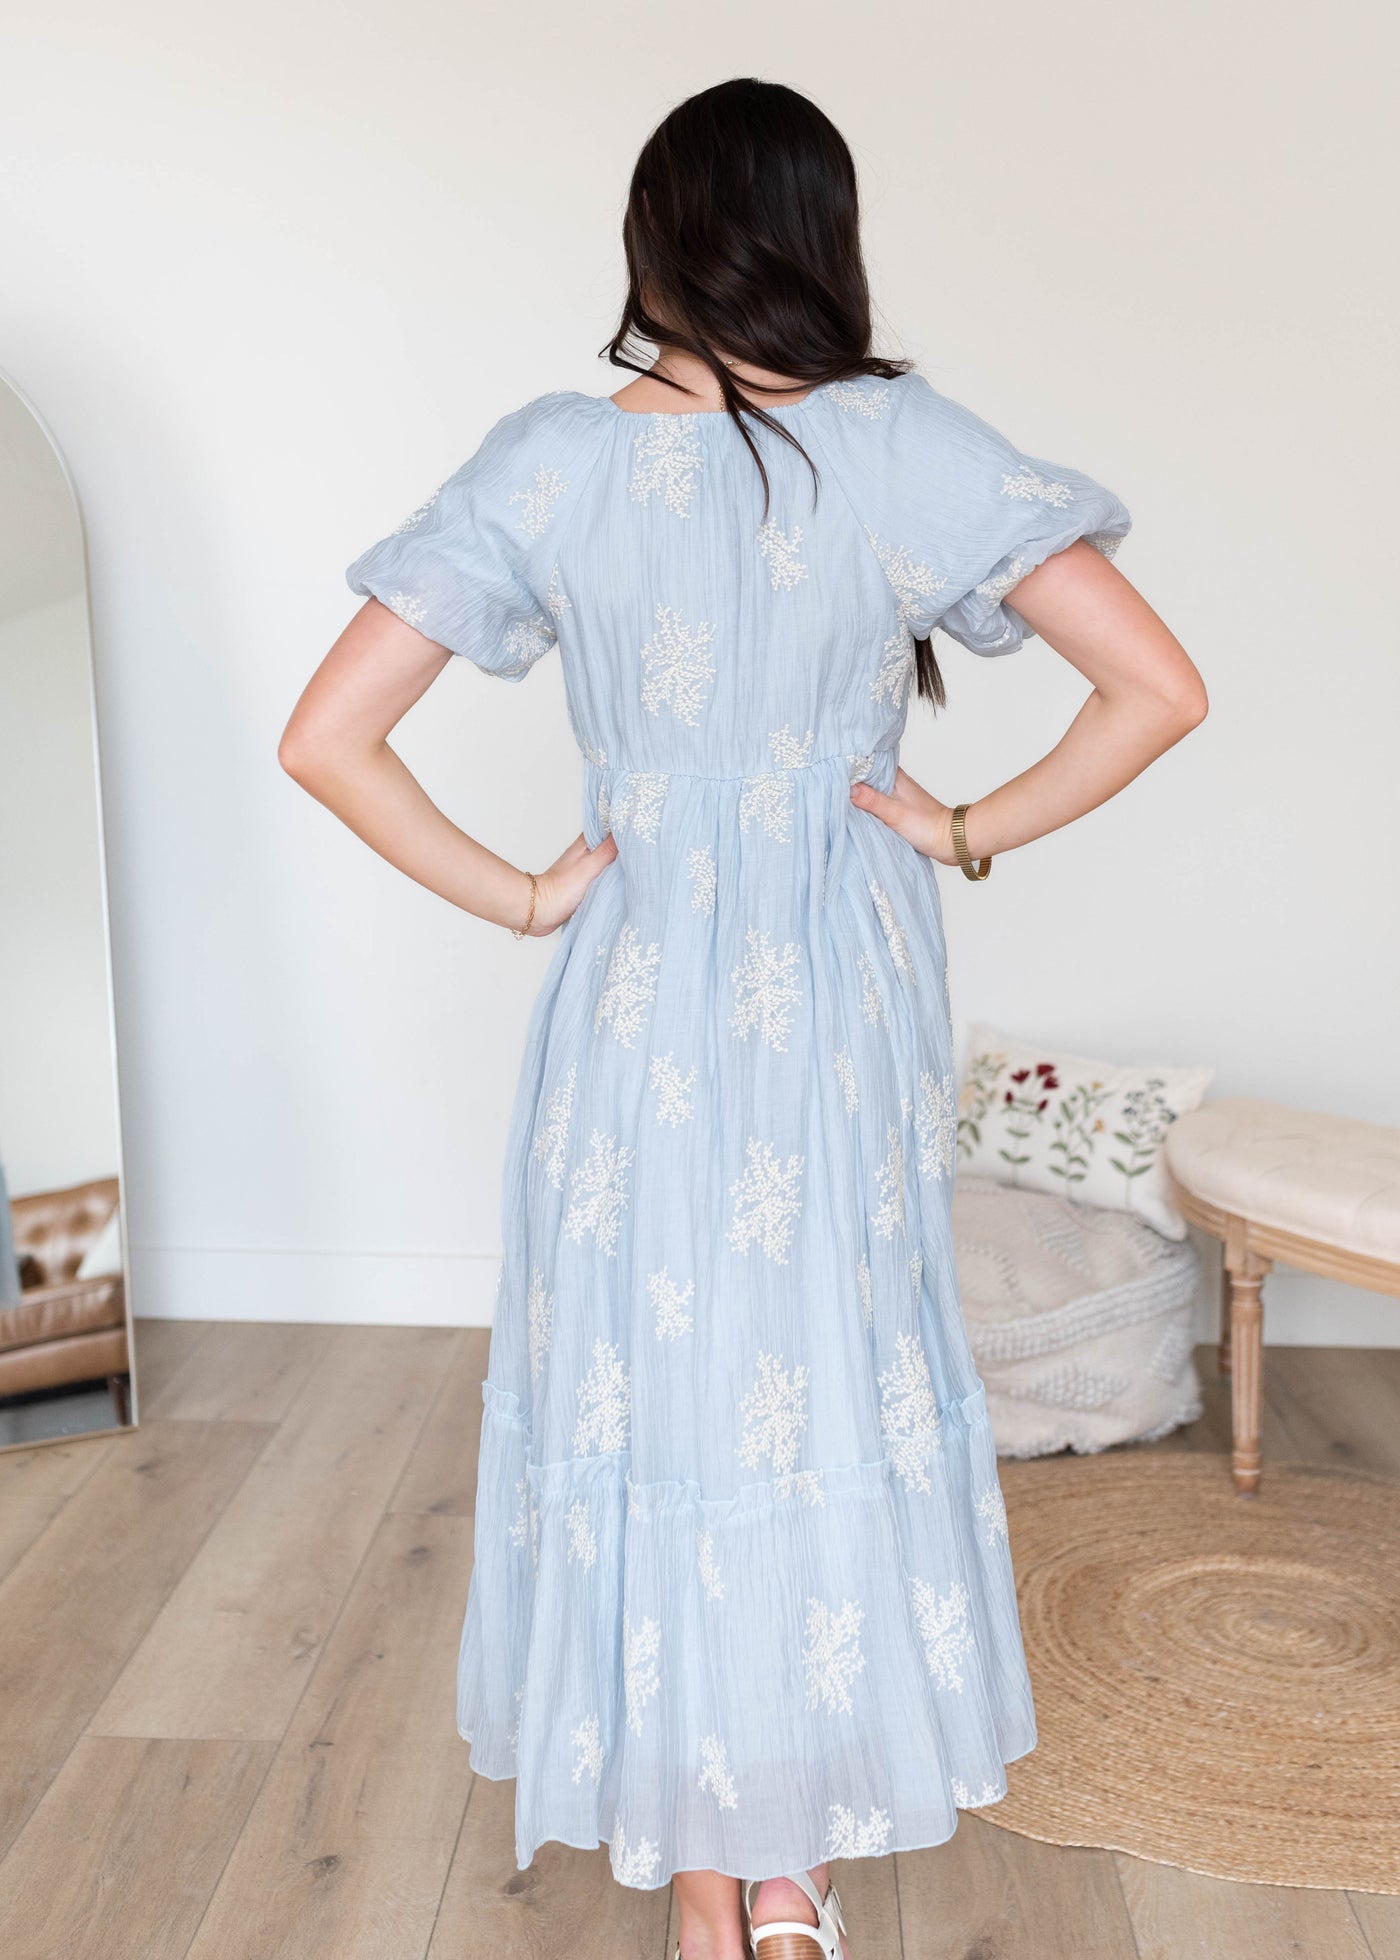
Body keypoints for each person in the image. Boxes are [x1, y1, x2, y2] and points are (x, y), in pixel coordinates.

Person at [279, 76, 1206, 1960]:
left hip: (630, 996)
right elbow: (1157, 689)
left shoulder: (551, 456)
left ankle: (707, 1875)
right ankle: (790, 1872)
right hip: (839, 993)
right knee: (819, 1371)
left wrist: (533, 892)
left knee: (664, 1381)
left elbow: (323, 739)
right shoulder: (902, 446)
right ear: (821, 232)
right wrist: (958, 831)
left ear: (654, 236)